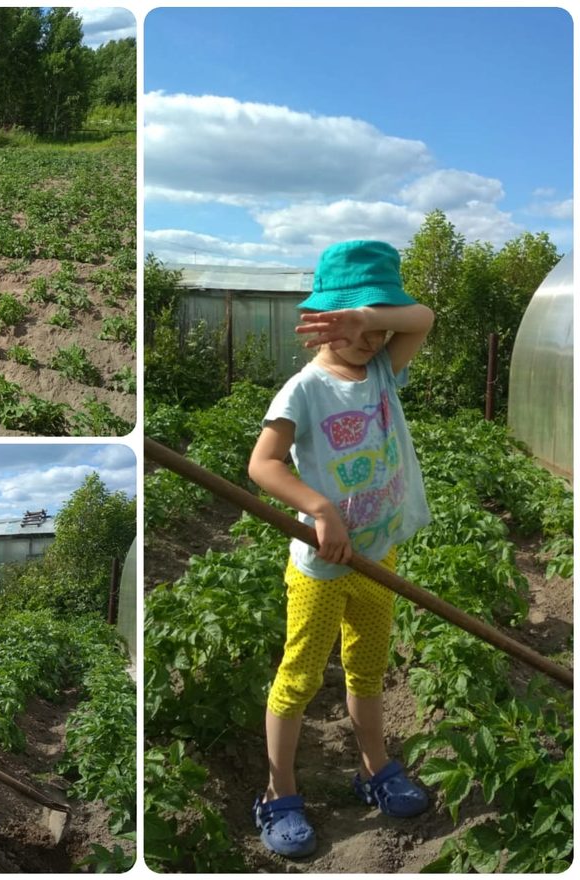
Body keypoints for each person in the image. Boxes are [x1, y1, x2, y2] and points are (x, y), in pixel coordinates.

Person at [247, 240, 435, 858]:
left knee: (368, 669)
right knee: (298, 678)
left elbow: (425, 319)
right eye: (355, 322)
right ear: (322, 317)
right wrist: (320, 508)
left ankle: (373, 767)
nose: (371, 339)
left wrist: (372, 320)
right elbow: (263, 463)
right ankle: (279, 792)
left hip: (378, 559)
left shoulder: (382, 368)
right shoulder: (304, 389)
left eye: (378, 325)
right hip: (322, 569)